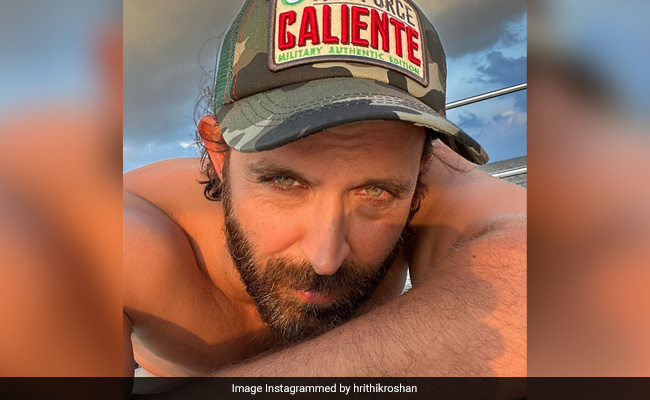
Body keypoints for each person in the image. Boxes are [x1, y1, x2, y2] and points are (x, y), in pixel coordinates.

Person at [123, 0, 526, 378]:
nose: (326, 259)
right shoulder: (128, 233)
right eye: (284, 181)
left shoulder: (410, 169)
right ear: (219, 150)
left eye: (375, 192)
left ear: (424, 165)